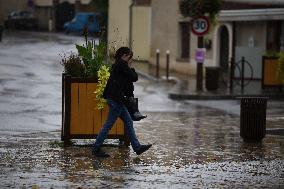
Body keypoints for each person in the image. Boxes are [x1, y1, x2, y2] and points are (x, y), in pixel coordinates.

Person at [92, 47, 152, 158]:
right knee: (108, 125)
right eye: (130, 56)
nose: (131, 59)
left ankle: (137, 147)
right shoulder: (122, 64)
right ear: (124, 55)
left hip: (116, 99)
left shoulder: (118, 65)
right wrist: (131, 69)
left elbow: (127, 83)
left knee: (129, 123)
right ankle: (96, 149)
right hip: (116, 100)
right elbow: (134, 77)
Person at [124, 52, 147, 121]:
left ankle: (135, 113)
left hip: (128, 95)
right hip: (124, 96)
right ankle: (135, 114)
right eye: (130, 59)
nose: (131, 61)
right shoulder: (124, 68)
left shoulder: (129, 69)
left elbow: (135, 78)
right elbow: (133, 77)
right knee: (128, 120)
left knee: (128, 121)